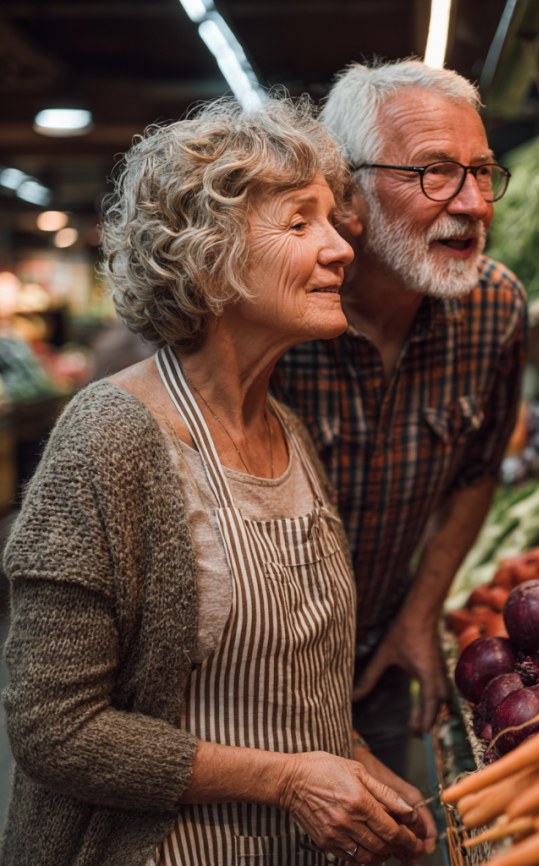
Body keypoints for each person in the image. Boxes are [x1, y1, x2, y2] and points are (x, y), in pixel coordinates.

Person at [1, 95, 435, 866]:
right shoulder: (107, 441)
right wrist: (285, 782)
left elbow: (286, 681)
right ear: (208, 258)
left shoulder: (290, 432)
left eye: (333, 221)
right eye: (301, 223)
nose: (341, 249)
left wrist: (353, 760)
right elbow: (54, 729)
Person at [272, 60, 527, 775]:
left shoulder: (494, 309)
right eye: (435, 173)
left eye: (482, 172)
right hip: (243, 673)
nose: (474, 203)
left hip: (377, 660)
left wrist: (422, 609)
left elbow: (478, 471)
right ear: (346, 195)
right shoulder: (271, 318)